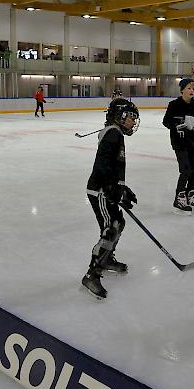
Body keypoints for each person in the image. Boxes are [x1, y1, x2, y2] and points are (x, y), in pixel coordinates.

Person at [82, 98, 139, 299]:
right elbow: (102, 164)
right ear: (120, 116)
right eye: (131, 117)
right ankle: (92, 273)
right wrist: (110, 187)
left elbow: (113, 166)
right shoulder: (113, 134)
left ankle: (106, 259)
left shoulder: (115, 134)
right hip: (99, 191)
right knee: (111, 227)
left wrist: (122, 188)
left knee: (118, 223)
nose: (133, 121)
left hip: (106, 188)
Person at [162, 77, 194, 215]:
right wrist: (177, 127)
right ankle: (179, 198)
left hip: (193, 144)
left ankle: (190, 195)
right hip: (180, 144)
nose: (192, 90)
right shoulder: (174, 105)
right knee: (186, 169)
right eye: (189, 88)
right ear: (182, 90)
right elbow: (166, 121)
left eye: (193, 88)